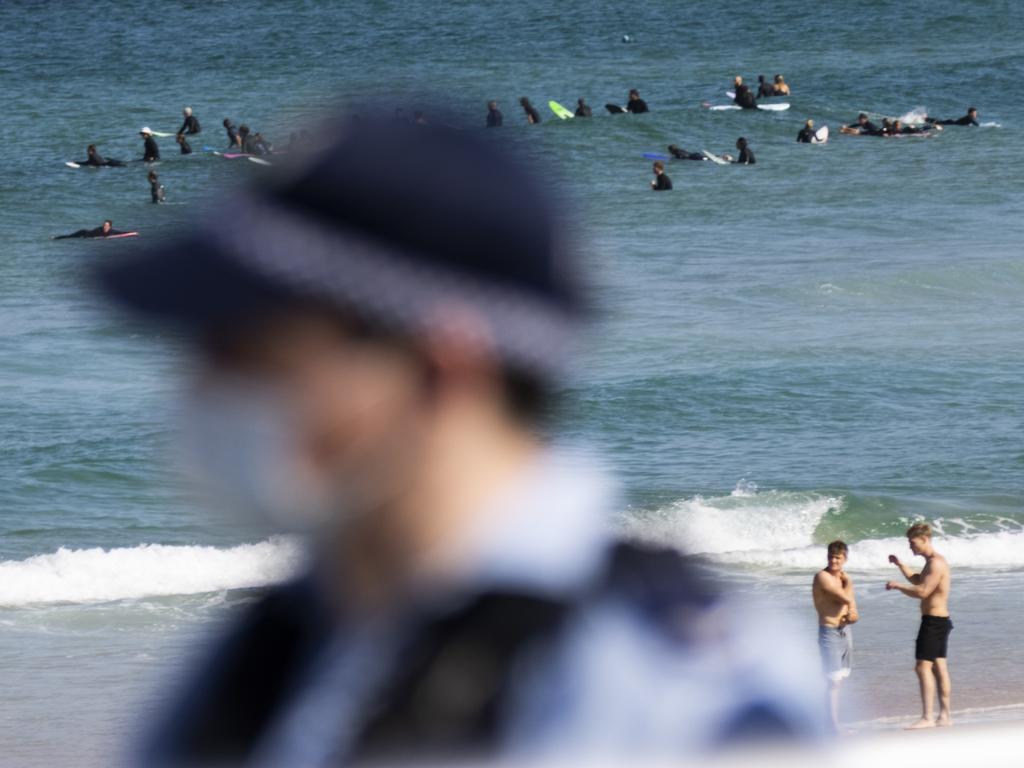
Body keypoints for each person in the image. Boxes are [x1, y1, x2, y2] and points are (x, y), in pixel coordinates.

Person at [96, 110, 827, 766]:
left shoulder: (670, 679)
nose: (203, 385)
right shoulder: (265, 654)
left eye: (250, 347)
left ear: (441, 365)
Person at [887, 522, 953, 729]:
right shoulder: (931, 562)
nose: (910, 546)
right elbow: (918, 580)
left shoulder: (936, 563)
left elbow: (923, 591)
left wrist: (898, 586)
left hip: (933, 622)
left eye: (912, 542)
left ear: (924, 540)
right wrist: (900, 566)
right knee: (939, 667)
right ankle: (944, 716)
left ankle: (927, 717)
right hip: (939, 621)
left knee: (922, 667)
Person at [813, 541, 859, 733]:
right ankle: (832, 726)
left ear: (844, 559)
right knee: (833, 681)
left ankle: (833, 723)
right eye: (831, 557)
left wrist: (853, 614)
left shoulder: (844, 578)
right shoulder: (822, 577)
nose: (833, 561)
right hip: (829, 631)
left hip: (844, 631)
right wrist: (848, 584)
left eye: (838, 557)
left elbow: (852, 605)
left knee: (840, 679)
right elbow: (844, 597)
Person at [54, 220, 128, 239]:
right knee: (70, 237)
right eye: (104, 225)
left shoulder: (112, 231)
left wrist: (133, 233)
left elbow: (121, 233)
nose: (104, 226)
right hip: (83, 233)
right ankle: (56, 237)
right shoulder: (98, 229)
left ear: (110, 227)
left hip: (87, 236)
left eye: (106, 225)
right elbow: (90, 235)